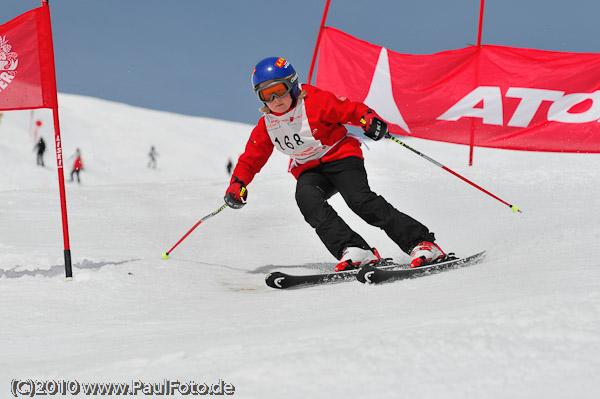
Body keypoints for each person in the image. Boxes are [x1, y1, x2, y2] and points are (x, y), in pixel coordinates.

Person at [224, 57, 447, 271]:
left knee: (359, 201)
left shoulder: (314, 101)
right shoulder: (267, 125)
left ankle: (421, 243)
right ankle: (354, 249)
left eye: (279, 90)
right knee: (308, 201)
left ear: (292, 85)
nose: (275, 100)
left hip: (341, 157)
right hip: (310, 169)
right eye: (266, 94)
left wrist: (369, 119)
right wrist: (237, 183)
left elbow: (351, 110)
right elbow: (251, 159)